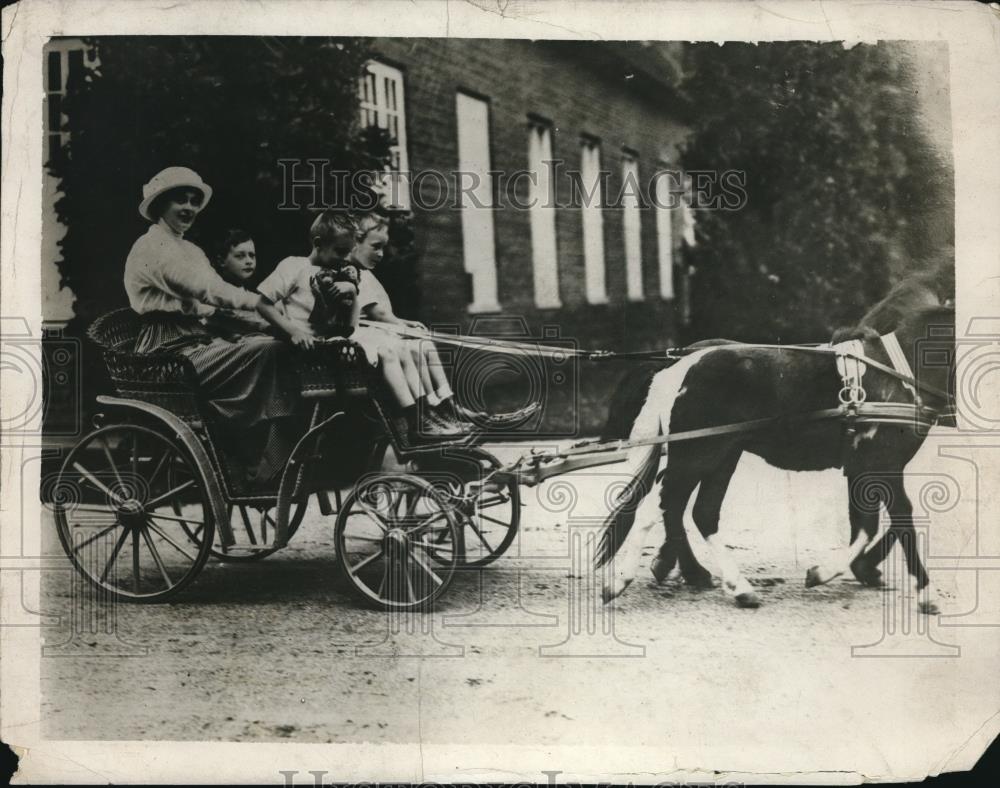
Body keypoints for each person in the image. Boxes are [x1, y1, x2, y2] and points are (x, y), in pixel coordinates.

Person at [123, 167, 298, 486]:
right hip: (165, 352)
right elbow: (209, 290)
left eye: (194, 201)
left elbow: (211, 309)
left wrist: (272, 325)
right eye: (181, 200)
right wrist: (263, 307)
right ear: (160, 204)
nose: (189, 208)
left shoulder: (191, 250)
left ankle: (257, 452)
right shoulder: (151, 247)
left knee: (267, 345)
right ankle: (267, 458)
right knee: (268, 350)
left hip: (196, 343)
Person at [255, 210, 461, 444]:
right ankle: (416, 420)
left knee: (397, 350)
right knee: (388, 352)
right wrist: (294, 331)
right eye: (340, 251)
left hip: (336, 343)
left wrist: (352, 293)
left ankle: (420, 419)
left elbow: (349, 327)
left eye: (348, 251)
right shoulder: (294, 266)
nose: (345, 258)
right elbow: (262, 304)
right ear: (318, 244)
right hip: (312, 351)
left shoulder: (341, 273)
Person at [349, 211, 536, 428]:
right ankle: (429, 414)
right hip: (369, 339)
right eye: (375, 247)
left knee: (425, 345)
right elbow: (377, 314)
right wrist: (401, 326)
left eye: (383, 247)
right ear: (355, 242)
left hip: (377, 333)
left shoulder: (364, 272)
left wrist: (403, 323)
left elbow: (380, 312)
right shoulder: (353, 273)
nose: (381, 254)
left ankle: (447, 406)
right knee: (416, 346)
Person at [204, 229, 276, 340]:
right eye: (240, 256)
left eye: (252, 255)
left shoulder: (249, 294)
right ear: (221, 261)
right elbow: (239, 321)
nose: (249, 261)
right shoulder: (216, 295)